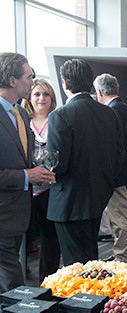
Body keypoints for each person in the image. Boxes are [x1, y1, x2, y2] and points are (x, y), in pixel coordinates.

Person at [46, 59, 124, 266]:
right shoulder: (109, 114)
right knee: (91, 260)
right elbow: (118, 156)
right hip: (98, 196)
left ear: (64, 84)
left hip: (69, 201)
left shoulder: (60, 116)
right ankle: (93, 297)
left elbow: (57, 164)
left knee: (76, 266)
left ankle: (84, 299)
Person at [0, 52, 55, 292]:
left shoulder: (21, 114)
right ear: (13, 81)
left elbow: (26, 158)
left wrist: (38, 171)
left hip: (20, 214)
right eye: (29, 76)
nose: (33, 82)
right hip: (2, 215)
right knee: (12, 282)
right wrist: (27, 176)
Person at [94, 73, 127, 262]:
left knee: (119, 218)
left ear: (100, 91)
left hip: (116, 173)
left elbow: (111, 146)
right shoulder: (124, 108)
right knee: (120, 215)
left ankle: (122, 257)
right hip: (124, 170)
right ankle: (121, 254)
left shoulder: (112, 110)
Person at [21, 78, 61, 282]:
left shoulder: (57, 120)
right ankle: (20, 277)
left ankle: (48, 280)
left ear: (52, 98)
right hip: (25, 188)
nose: (41, 98)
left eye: (46, 94)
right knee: (23, 237)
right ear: (29, 96)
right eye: (37, 94)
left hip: (50, 189)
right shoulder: (21, 119)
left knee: (50, 238)